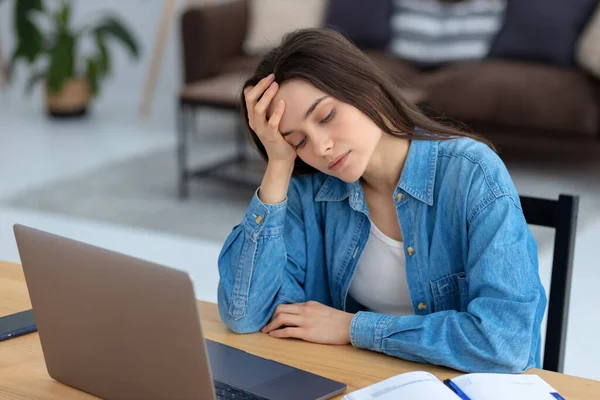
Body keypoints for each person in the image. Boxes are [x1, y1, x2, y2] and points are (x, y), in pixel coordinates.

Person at [217, 28, 546, 373]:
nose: (320, 148)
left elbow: (505, 342)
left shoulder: (471, 174)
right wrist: (279, 164)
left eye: (326, 116)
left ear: (366, 89)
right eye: (297, 141)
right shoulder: (309, 189)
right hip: (362, 381)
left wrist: (352, 327)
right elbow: (244, 314)